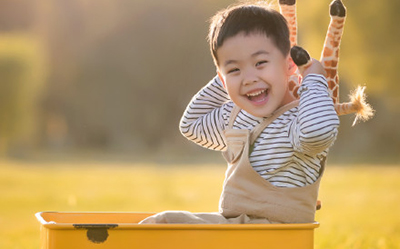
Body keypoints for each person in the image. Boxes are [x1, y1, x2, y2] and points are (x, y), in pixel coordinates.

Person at [140, 1, 339, 224]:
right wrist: (225, 80)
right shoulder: (236, 115)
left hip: (278, 235)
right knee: (164, 222)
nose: (249, 78)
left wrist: (313, 77)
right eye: (235, 69)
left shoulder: (299, 120)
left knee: (166, 223)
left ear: (290, 64)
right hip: (237, 228)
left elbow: (318, 132)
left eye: (260, 63)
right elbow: (191, 125)